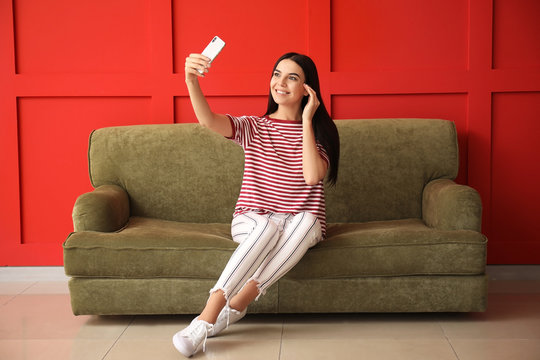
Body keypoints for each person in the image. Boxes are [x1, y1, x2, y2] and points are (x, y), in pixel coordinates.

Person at [172, 50, 340, 357]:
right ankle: (208, 318)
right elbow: (209, 121)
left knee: (305, 220)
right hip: (252, 219)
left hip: (301, 227)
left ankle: (238, 304)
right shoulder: (253, 127)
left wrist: (306, 120)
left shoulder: (320, 133)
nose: (280, 82)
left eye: (292, 77)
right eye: (276, 74)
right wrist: (191, 81)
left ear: (308, 89)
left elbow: (312, 176)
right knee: (265, 226)